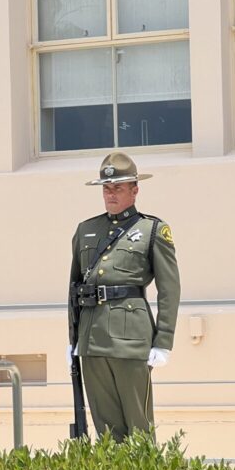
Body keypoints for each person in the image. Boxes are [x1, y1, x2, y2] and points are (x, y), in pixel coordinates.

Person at [67, 151, 181, 440]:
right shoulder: (86, 230)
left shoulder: (151, 229)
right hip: (93, 339)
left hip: (131, 339)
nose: (111, 194)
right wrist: (74, 339)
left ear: (135, 189)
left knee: (139, 427)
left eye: (118, 187)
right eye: (106, 188)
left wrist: (163, 340)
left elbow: (169, 289)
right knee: (106, 430)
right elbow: (74, 288)